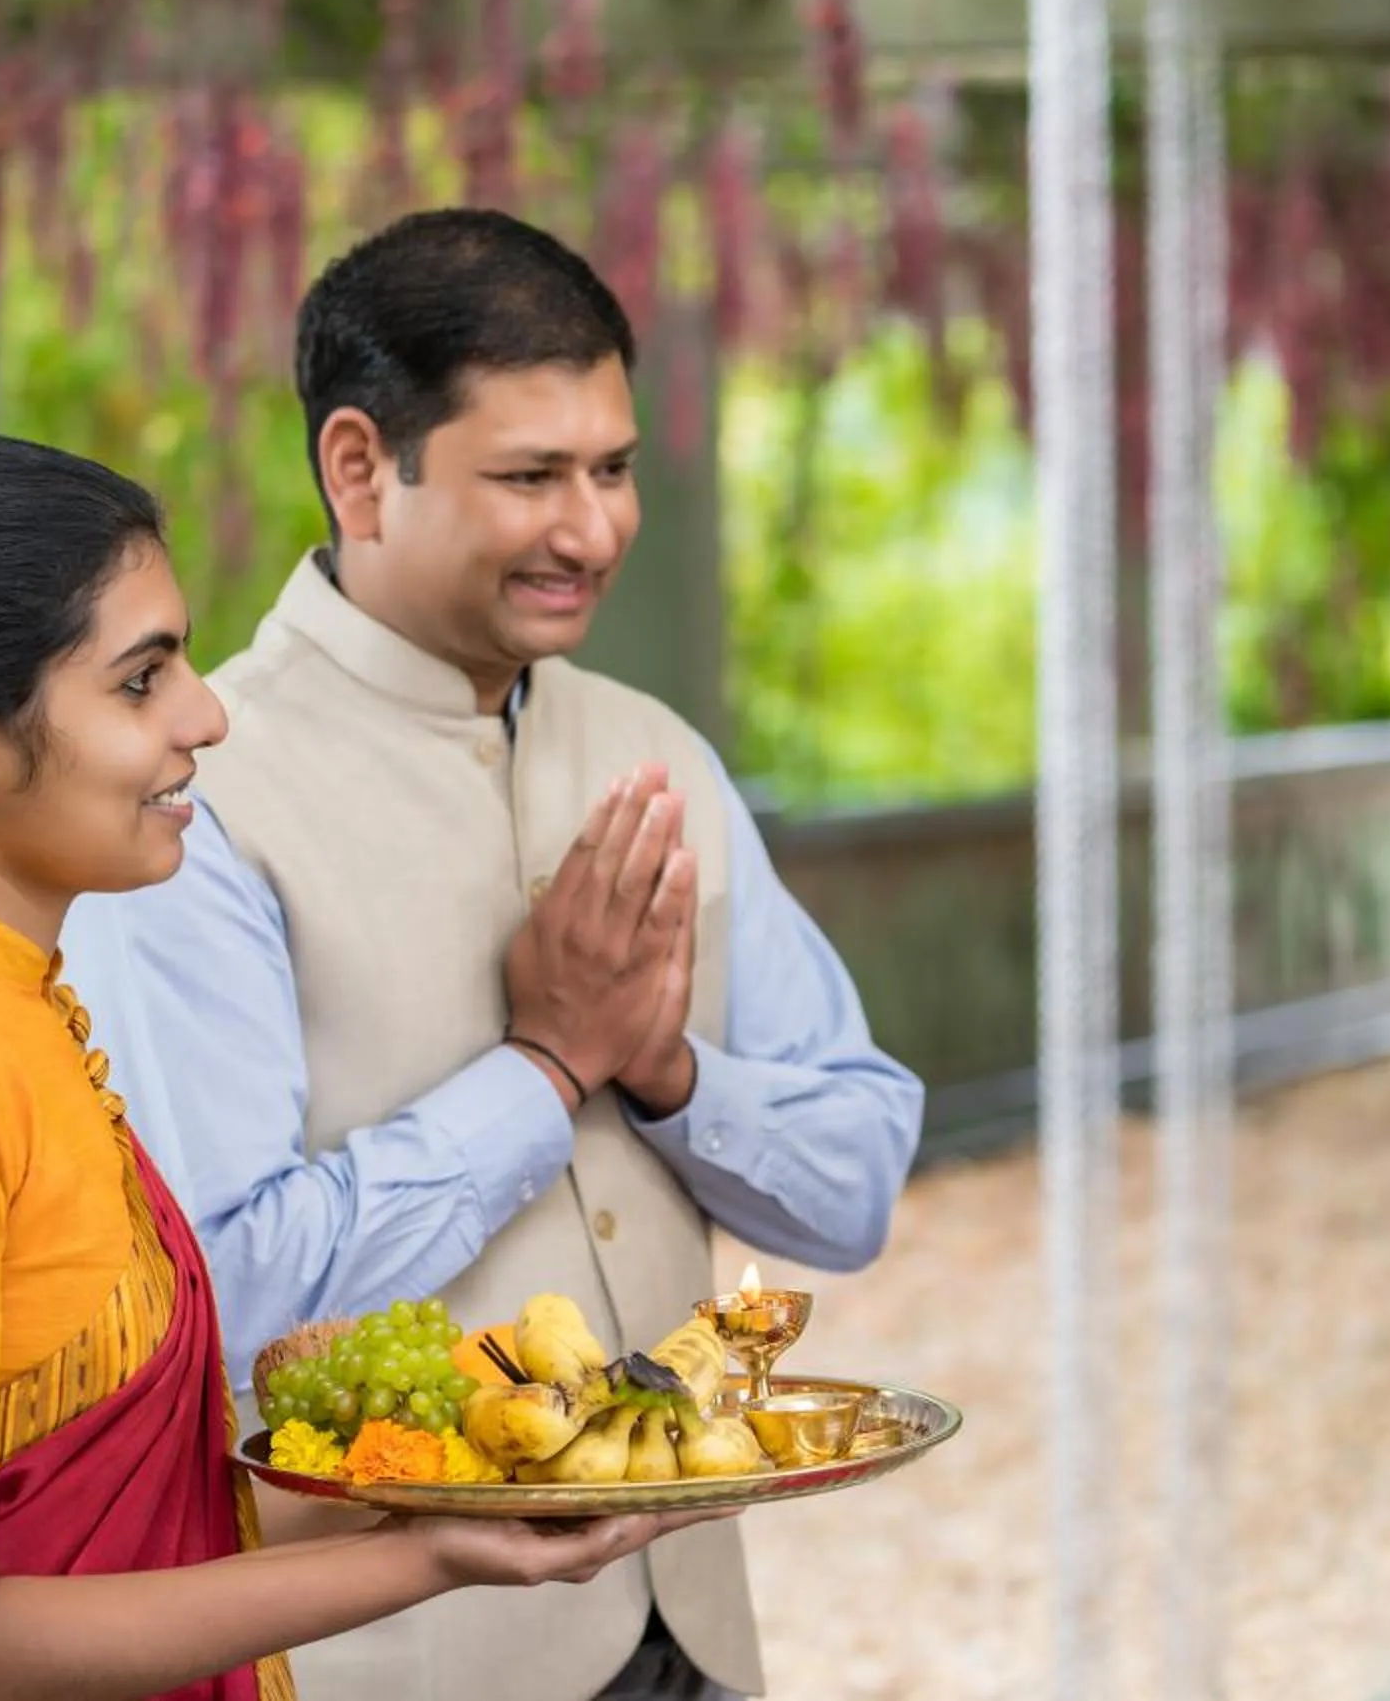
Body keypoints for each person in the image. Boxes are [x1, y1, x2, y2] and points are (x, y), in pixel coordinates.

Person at [0, 432, 720, 1701]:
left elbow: (141, 1523)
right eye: (140, 680)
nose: (207, 713)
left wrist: (478, 1484)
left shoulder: (0, 1002)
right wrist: (430, 1560)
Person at [59, 208, 925, 1701]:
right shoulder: (198, 798)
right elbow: (220, 1287)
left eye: (614, 468)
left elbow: (853, 1184)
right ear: (357, 468)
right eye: (531, 475)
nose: (591, 529)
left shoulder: (662, 757)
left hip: (699, 1638)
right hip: (388, 1663)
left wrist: (663, 1072)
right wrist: (543, 1072)